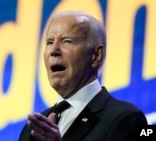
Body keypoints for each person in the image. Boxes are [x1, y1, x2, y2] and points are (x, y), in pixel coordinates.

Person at [18, 10, 148, 141]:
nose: (54, 51)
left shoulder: (128, 118)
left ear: (96, 55)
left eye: (67, 41)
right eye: (50, 42)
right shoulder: (31, 130)